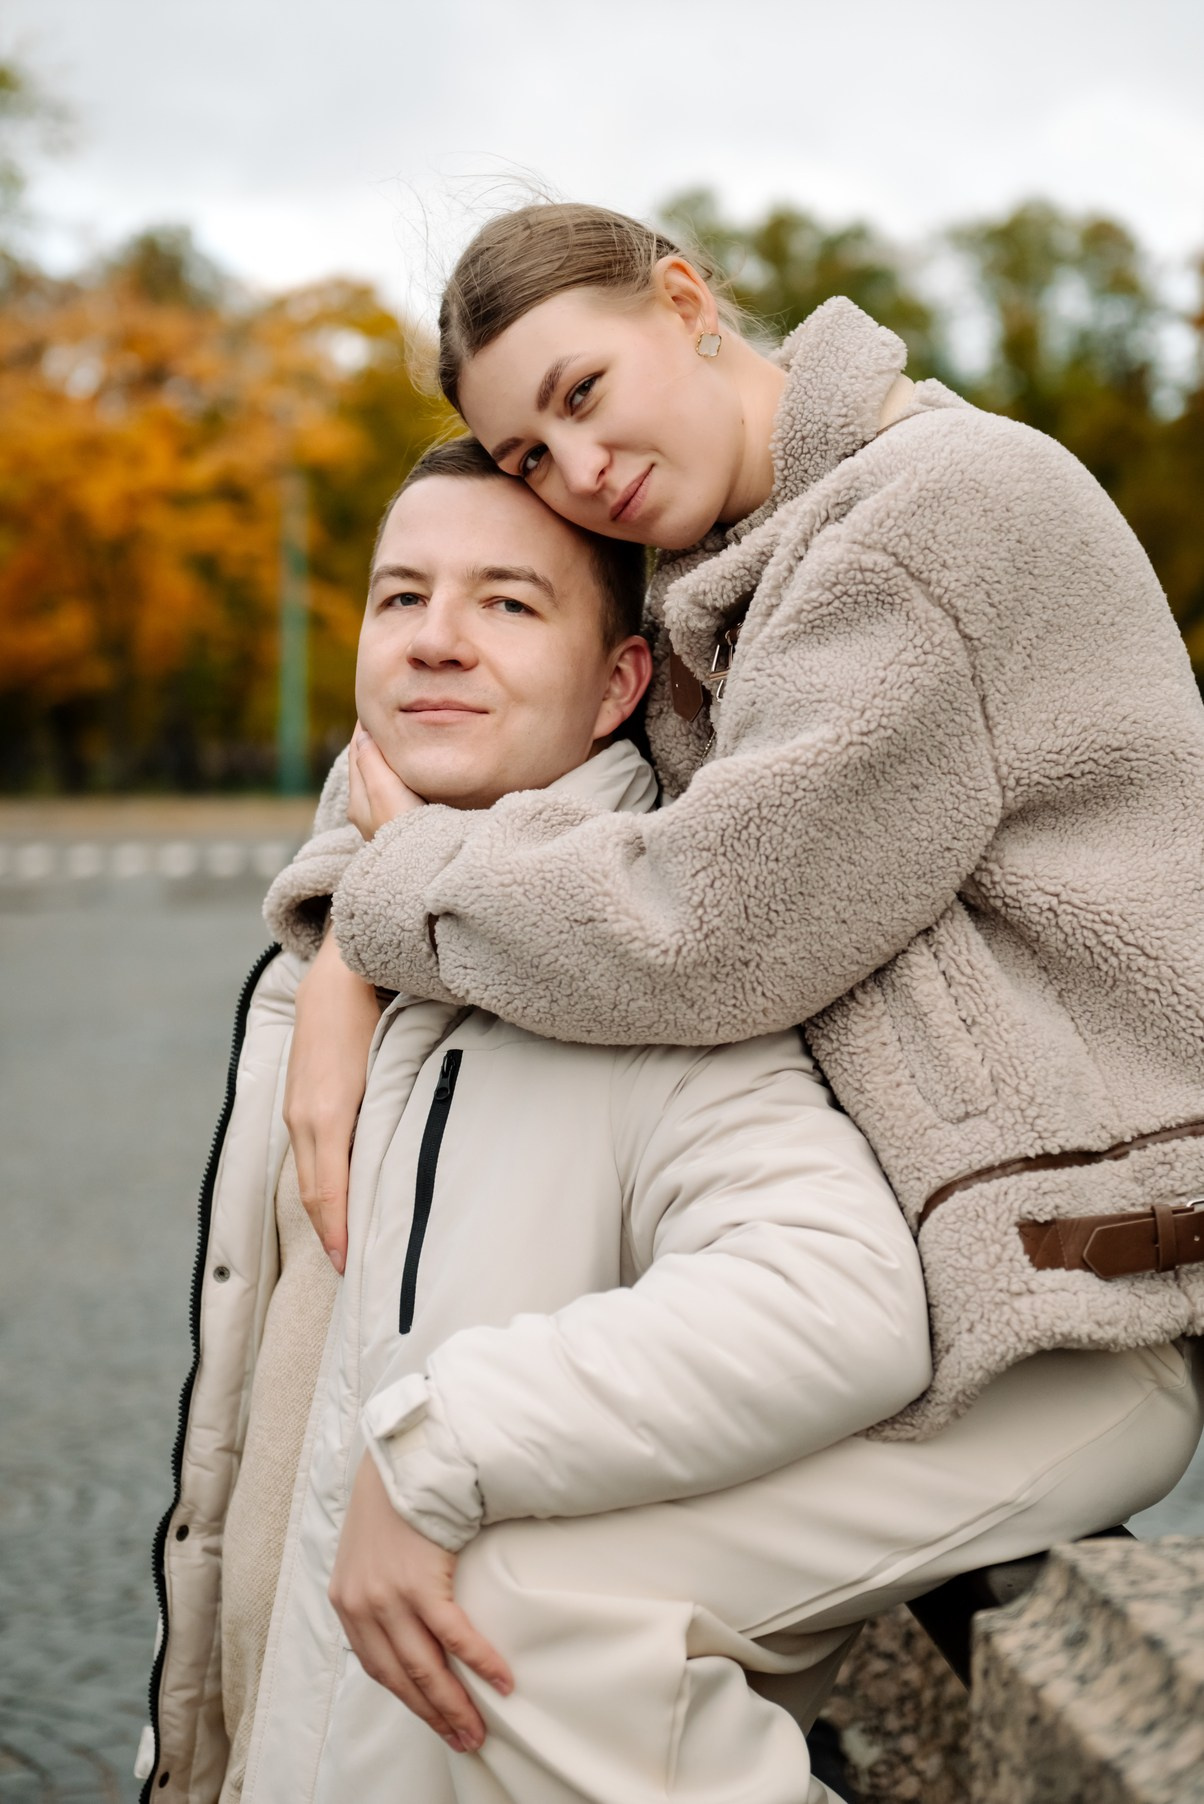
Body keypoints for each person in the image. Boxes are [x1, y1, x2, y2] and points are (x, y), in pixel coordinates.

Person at [271, 202, 1204, 1448]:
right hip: (949, 1274)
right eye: (530, 457)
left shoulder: (931, 514)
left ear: (684, 304)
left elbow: (709, 925)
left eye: (584, 392)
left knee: (499, 1585)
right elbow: (441, 725)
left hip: (1086, 1278)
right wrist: (344, 952)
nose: (583, 468)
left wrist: (387, 898)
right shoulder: (712, 565)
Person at [143, 437, 940, 1804]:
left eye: (508, 604)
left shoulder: (648, 993)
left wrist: (446, 1444)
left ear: (618, 683)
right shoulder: (310, 970)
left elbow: (839, 1297)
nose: (437, 641)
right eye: (402, 598)